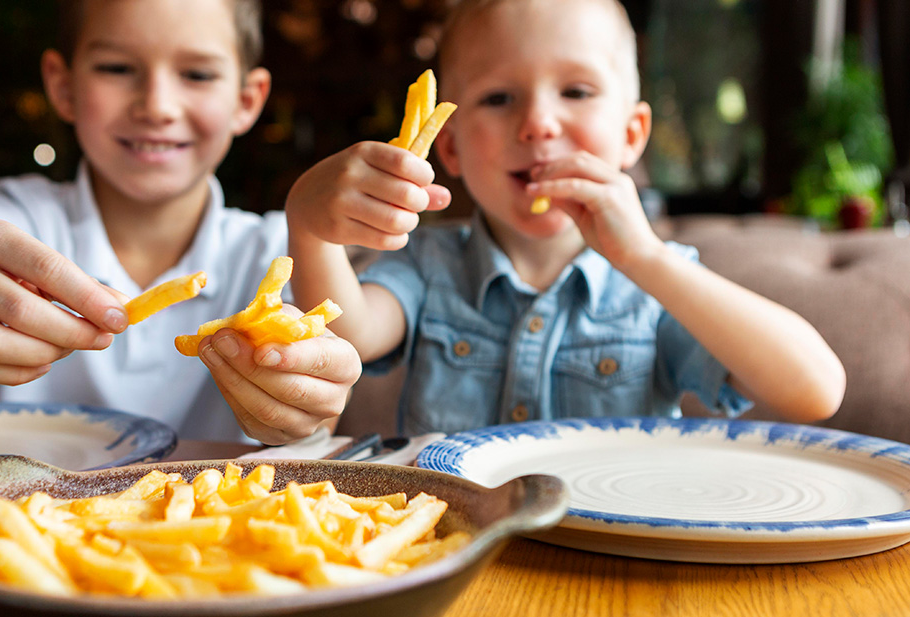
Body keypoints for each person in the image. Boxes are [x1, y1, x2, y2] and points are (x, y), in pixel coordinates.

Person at [0, 0, 361, 446]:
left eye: (198, 74)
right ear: (62, 85)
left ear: (247, 98)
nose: (157, 103)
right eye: (116, 67)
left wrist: (308, 396)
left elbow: (343, 379)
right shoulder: (9, 223)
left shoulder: (280, 252)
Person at [284, 0, 845, 436]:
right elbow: (344, 340)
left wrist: (646, 258)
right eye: (499, 98)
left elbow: (815, 390)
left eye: (576, 91)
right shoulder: (430, 266)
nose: (538, 124)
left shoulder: (656, 286)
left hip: (612, 567)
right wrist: (310, 229)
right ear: (450, 149)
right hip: (463, 557)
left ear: (631, 136)